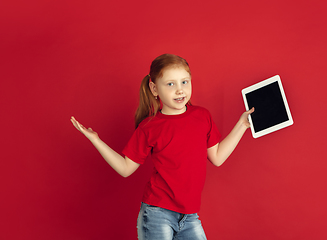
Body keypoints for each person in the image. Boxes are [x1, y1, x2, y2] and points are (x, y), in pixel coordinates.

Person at [70, 54, 254, 240]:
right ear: (154, 88)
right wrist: (96, 140)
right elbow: (125, 168)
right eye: (170, 84)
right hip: (157, 214)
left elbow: (217, 157)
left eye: (184, 82)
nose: (180, 90)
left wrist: (242, 125)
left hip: (189, 217)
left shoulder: (202, 116)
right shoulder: (149, 127)